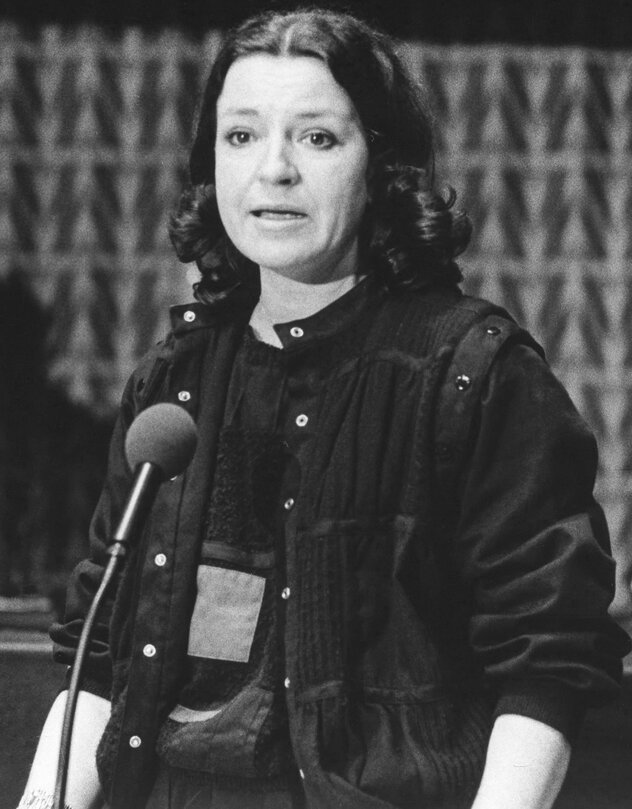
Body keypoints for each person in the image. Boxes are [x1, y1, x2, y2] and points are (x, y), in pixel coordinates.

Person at [19, 7, 630, 809]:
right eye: (241, 137)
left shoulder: (472, 373)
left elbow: (547, 656)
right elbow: (98, 654)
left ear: (380, 165)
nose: (272, 170)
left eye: (316, 137)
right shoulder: (173, 384)